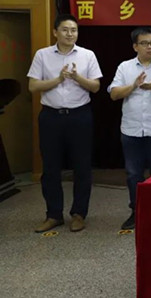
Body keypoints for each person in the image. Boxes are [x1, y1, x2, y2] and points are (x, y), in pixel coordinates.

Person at [27, 14, 102, 233]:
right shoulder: (42, 55)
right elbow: (33, 86)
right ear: (55, 32)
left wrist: (77, 78)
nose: (70, 34)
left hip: (80, 116)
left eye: (74, 30)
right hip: (51, 117)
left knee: (82, 167)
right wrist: (58, 79)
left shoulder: (87, 55)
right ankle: (53, 214)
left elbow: (96, 87)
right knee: (50, 168)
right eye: (65, 30)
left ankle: (79, 214)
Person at [108, 27, 151, 230]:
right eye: (145, 43)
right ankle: (136, 211)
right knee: (133, 174)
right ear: (135, 46)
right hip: (131, 129)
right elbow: (114, 94)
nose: (150, 47)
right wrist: (133, 86)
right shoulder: (125, 67)